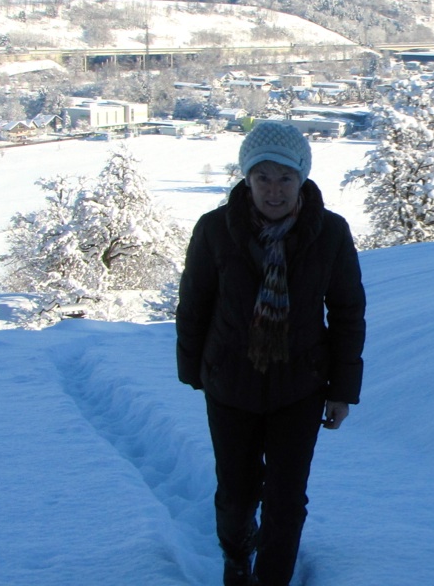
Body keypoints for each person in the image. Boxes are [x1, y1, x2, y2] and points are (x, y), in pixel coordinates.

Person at [176, 121, 366, 586]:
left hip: (300, 385)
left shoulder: (330, 233)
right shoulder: (215, 229)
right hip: (230, 384)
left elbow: (347, 312)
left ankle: (272, 578)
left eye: (285, 177)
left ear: (302, 178)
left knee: (286, 498)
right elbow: (194, 304)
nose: (274, 190)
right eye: (263, 177)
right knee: (237, 494)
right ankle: (237, 555)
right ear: (247, 178)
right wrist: (196, 371)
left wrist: (342, 390)